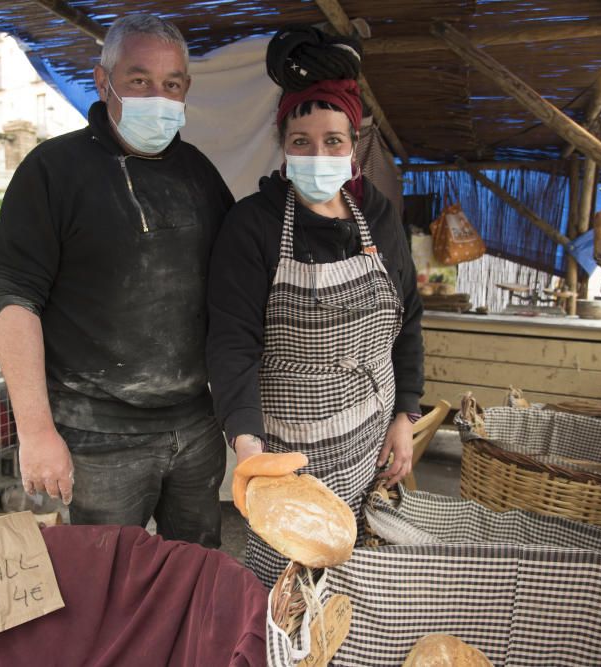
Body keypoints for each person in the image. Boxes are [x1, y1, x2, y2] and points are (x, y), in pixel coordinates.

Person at [0, 15, 234, 548]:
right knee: (105, 587)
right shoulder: (53, 172)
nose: (158, 95)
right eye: (139, 79)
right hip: (95, 435)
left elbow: (233, 295)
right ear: (104, 82)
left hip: (194, 427)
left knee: (195, 574)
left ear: (186, 89)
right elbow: (15, 303)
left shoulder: (200, 175)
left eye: (171, 84)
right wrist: (35, 432)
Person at [206, 26, 424, 587]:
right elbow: (232, 343)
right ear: (283, 143)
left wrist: (407, 414)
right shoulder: (252, 224)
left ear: (354, 144)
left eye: (333, 140)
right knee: (286, 581)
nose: (318, 153)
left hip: (371, 436)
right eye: (301, 141)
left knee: (356, 566)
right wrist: (249, 450)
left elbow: (409, 319)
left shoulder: (375, 215)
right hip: (290, 452)